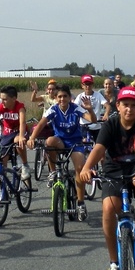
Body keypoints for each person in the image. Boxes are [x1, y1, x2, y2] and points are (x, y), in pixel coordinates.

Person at [78, 87, 135, 270]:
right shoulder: (111, 124)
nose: (129, 110)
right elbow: (99, 148)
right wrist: (87, 168)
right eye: (125, 105)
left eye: (134, 105)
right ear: (118, 106)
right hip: (113, 168)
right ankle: (114, 263)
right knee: (107, 209)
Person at [27, 84, 96, 218]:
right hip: (60, 140)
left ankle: (80, 203)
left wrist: (90, 110)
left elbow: (92, 120)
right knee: (49, 141)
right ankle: (53, 172)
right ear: (56, 98)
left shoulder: (75, 108)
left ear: (70, 97)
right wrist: (31, 138)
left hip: (75, 142)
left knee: (80, 168)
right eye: (59, 97)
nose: (62, 99)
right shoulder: (53, 109)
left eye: (65, 96)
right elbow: (41, 124)